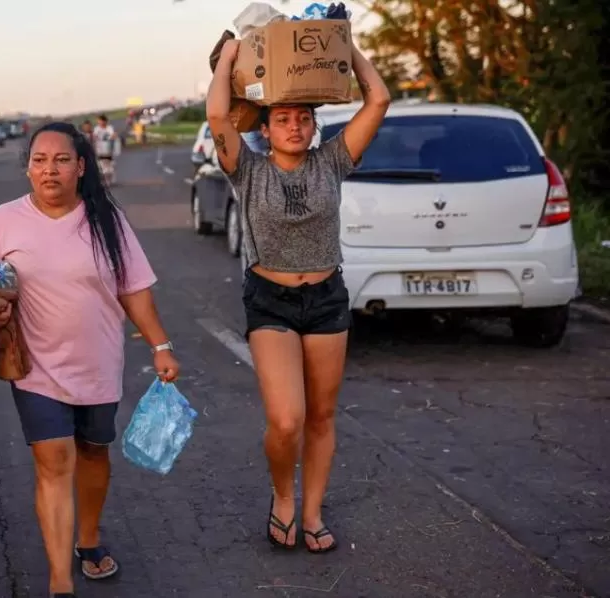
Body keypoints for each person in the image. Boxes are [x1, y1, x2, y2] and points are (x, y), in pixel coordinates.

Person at [0, 122, 180, 598]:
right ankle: (60, 580)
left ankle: (89, 538)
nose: (50, 170)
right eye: (40, 160)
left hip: (99, 364)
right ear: (28, 168)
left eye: (61, 160)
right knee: (54, 461)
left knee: (93, 451)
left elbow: (134, 290)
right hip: (35, 367)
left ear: (81, 167)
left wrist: (160, 345)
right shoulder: (2, 221)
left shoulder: (107, 220)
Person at [205, 38, 389, 553]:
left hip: (327, 297)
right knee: (287, 419)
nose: (293, 126)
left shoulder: (333, 161)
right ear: (263, 129)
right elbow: (219, 113)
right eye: (282, 118)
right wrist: (226, 62)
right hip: (270, 300)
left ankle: (311, 513)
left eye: (303, 118)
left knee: (322, 417)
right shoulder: (248, 169)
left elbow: (378, 99)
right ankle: (283, 497)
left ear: (314, 126)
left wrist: (343, 51)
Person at [91, 115, 117, 185]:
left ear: (105, 121)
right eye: (99, 121)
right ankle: (106, 180)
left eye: (101, 121)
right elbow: (94, 136)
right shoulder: (97, 129)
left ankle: (111, 178)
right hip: (100, 150)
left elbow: (113, 135)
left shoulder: (109, 128)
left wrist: (110, 138)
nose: (100, 123)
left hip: (109, 149)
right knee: (102, 165)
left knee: (110, 165)